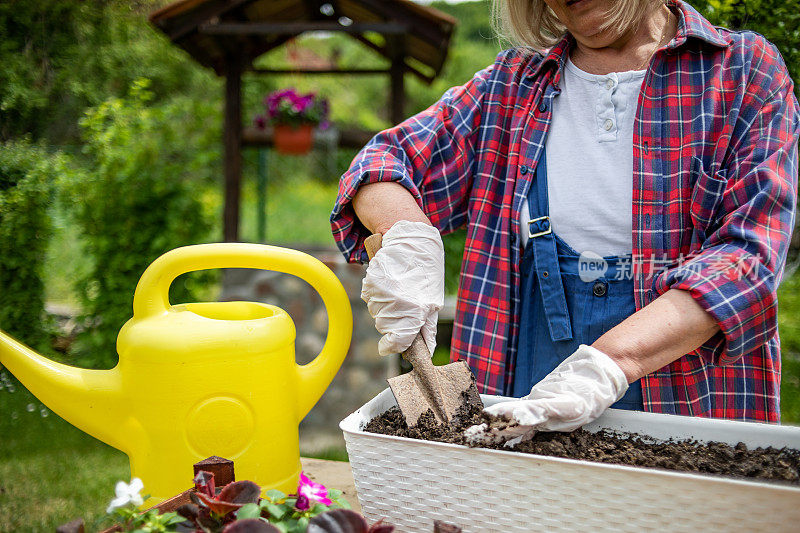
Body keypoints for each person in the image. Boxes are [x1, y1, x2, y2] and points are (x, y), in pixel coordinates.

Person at [330, 0, 799, 443]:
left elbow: (747, 259)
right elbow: (382, 165)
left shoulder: (742, 72)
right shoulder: (512, 85)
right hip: (520, 393)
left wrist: (606, 367)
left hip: (690, 396)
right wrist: (406, 236)